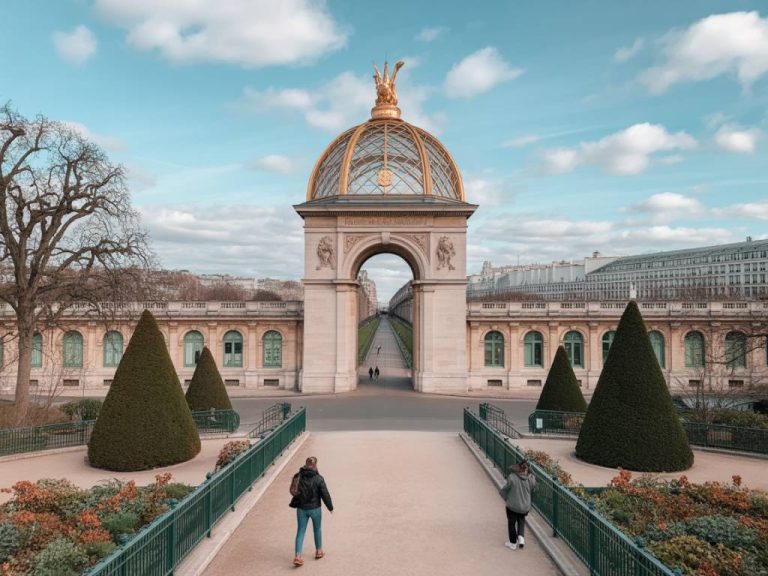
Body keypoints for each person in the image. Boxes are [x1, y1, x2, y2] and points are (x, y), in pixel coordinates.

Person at [291, 456, 333, 567]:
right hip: (315, 509)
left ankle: (298, 556)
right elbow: (325, 494)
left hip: (301, 509)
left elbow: (293, 491)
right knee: (317, 529)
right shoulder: (319, 478)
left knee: (300, 531)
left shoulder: (298, 476)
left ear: (306, 464)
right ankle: (319, 551)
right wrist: (330, 507)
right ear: (315, 465)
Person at [499, 459, 536, 550]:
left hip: (513, 505)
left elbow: (505, 489)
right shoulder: (531, 479)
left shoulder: (512, 477)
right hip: (525, 506)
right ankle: (521, 537)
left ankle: (512, 543)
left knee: (512, 523)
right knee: (521, 521)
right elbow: (533, 488)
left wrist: (505, 497)